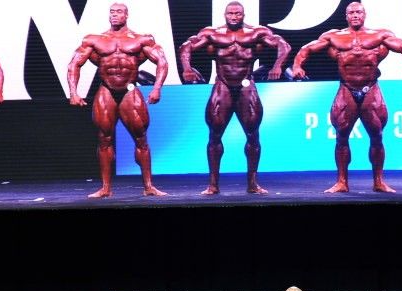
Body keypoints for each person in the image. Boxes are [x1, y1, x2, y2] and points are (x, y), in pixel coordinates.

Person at [290, 1, 402, 193]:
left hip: (371, 89)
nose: (355, 15)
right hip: (346, 89)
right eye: (351, 12)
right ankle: (342, 182)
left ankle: (379, 182)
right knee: (341, 137)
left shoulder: (380, 35)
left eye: (358, 12)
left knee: (377, 136)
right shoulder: (333, 36)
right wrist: (297, 66)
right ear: (346, 16)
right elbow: (306, 49)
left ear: (364, 14)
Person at [179, 2, 291, 195]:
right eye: (230, 13)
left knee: (253, 135)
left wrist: (277, 66)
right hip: (222, 85)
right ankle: (213, 185)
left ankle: (252, 184)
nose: (233, 16)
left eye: (237, 13)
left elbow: (283, 45)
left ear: (243, 15)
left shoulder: (256, 32)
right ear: (225, 14)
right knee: (214, 135)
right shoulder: (212, 33)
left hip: (246, 84)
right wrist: (187, 69)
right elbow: (186, 46)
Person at [67, 3, 168, 198]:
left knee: (141, 138)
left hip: (130, 91)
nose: (114, 15)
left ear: (126, 15)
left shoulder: (141, 39)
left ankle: (149, 186)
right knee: (104, 139)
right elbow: (74, 64)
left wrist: (157, 88)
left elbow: (162, 62)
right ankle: (105, 188)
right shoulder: (94, 40)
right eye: (112, 12)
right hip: (106, 91)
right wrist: (73, 92)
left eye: (119, 12)